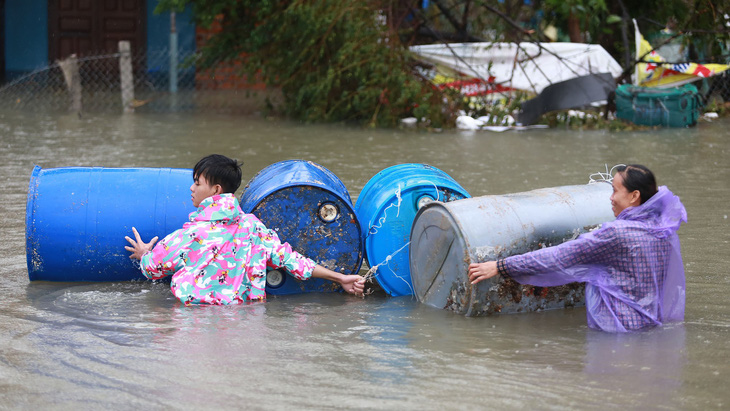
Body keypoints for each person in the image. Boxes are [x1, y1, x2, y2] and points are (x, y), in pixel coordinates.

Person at [468, 165, 687, 332]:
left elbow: (557, 257)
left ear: (634, 196)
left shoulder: (616, 234)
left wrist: (500, 266)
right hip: (650, 324)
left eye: (615, 191)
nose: (610, 198)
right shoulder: (663, 230)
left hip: (619, 328)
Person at [125, 154, 365, 305]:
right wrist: (340, 278)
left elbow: (153, 269)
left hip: (194, 320)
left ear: (216, 190)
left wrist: (143, 252)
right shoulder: (253, 228)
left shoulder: (189, 235)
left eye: (197, 183)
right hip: (245, 320)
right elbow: (294, 261)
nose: (191, 188)